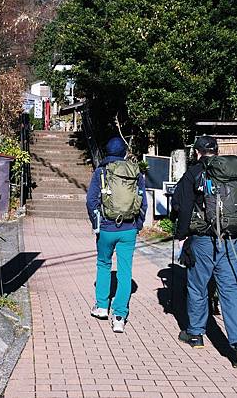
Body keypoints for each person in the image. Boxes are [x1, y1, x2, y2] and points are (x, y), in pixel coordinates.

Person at [171, 135, 237, 369]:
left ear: (197, 152)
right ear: (216, 151)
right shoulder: (233, 172)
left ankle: (196, 334)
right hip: (231, 239)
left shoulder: (194, 173)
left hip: (204, 239)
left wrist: (180, 233)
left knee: (197, 285)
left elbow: (182, 205)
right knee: (232, 290)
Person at [86, 137, 147, 333]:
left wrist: (97, 223)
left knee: (103, 264)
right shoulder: (136, 173)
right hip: (129, 229)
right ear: (124, 153)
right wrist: (137, 225)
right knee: (125, 271)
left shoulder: (101, 172)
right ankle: (120, 315)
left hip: (106, 227)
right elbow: (143, 203)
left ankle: (102, 306)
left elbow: (91, 201)